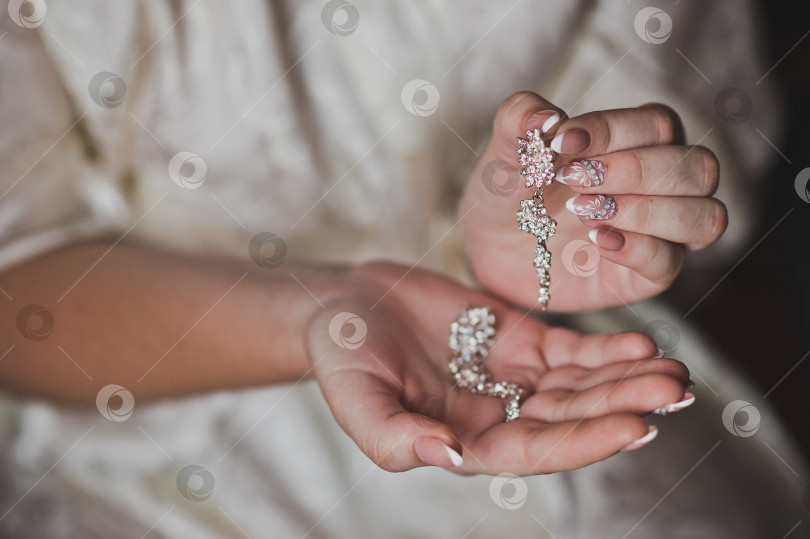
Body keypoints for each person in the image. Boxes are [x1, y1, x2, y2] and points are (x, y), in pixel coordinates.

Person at [0, 1, 805, 537]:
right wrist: (327, 310)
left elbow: (699, 158)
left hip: (543, 375)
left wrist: (580, 222)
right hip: (154, 422)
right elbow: (18, 293)